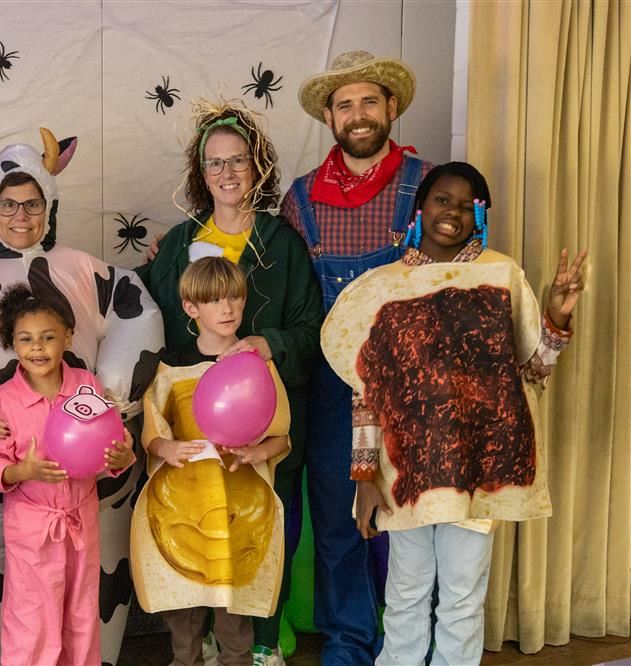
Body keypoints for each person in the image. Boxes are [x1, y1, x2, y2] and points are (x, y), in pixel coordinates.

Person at [320, 162, 586, 665]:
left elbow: (532, 370)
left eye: (468, 205)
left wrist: (556, 316)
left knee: (463, 600)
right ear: (421, 208)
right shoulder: (385, 287)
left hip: (477, 471)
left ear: (480, 215)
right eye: (444, 200)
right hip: (406, 473)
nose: (454, 213)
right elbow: (367, 390)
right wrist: (364, 474)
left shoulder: (501, 274)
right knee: (405, 597)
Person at [0, 128, 163, 665]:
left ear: (49, 205)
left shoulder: (86, 270)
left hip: (81, 498)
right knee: (15, 618)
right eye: (8, 204)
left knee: (79, 616)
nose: (21, 216)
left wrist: (112, 403)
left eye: (32, 204)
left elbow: (137, 311)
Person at [137, 99, 322, 665]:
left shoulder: (282, 243)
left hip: (259, 428)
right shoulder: (176, 245)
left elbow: (314, 328)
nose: (227, 173)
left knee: (260, 538)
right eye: (215, 163)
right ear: (201, 173)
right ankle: (198, 647)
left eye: (238, 160)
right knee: (196, 538)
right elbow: (144, 315)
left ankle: (261, 646)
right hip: (192, 434)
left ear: (257, 166)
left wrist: (273, 344)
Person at [278, 51, 432, 663]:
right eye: (346, 104)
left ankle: (408, 639)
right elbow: (287, 286)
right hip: (332, 387)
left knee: (413, 514)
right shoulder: (300, 198)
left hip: (413, 381)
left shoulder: (428, 185)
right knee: (341, 517)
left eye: (370, 101)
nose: (359, 114)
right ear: (329, 116)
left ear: (391, 108)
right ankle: (348, 639)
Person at [132, 257, 291, 666]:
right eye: (215, 300)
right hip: (183, 509)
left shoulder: (257, 364)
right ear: (191, 307)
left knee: (233, 618)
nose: (227, 308)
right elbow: (152, 431)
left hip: (238, 511)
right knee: (183, 616)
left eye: (235, 298)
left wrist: (258, 452)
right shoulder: (170, 366)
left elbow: (281, 434)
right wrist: (165, 448)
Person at [0, 283, 136, 665]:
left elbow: (112, 444)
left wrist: (121, 455)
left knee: (82, 614)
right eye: (26, 339)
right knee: (33, 618)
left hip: (82, 522)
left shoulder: (87, 386)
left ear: (67, 337)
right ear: (12, 344)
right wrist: (25, 469)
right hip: (32, 529)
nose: (38, 348)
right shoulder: (5, 397)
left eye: (48, 337)